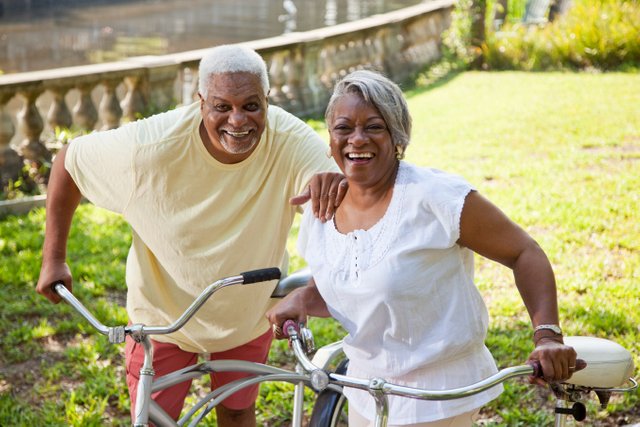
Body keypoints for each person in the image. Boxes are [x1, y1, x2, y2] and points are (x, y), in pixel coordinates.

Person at [36, 44, 346, 426]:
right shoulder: (149, 148)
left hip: (245, 315)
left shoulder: (289, 140)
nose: (238, 120)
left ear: (267, 100)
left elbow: (338, 194)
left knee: (236, 413)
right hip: (161, 319)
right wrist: (53, 259)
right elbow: (70, 160)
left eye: (251, 105)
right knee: (153, 420)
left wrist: (337, 185)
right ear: (200, 102)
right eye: (222, 106)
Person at [266, 70, 581, 427]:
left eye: (374, 127)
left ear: (397, 137)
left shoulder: (435, 198)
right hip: (366, 387)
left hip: (439, 394)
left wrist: (547, 335)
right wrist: (304, 299)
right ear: (330, 137)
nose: (357, 139)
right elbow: (356, 286)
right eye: (344, 128)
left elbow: (524, 252)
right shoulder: (322, 208)